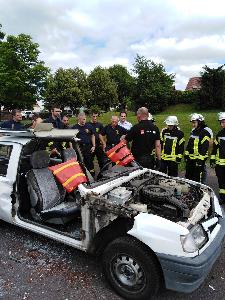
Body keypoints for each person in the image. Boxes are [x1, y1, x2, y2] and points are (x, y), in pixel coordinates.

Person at [185, 113, 211, 183]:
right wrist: (186, 154)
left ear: (200, 122)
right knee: (188, 176)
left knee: (197, 179)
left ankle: (199, 192)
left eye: (194, 123)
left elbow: (204, 147)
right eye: (192, 123)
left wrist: (201, 160)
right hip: (191, 158)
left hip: (199, 159)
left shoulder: (205, 132)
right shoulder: (193, 131)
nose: (193, 125)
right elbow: (189, 144)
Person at [72, 112, 96, 176]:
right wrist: (72, 148)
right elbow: (71, 139)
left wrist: (94, 146)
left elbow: (93, 135)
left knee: (90, 161)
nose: (83, 121)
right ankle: (83, 176)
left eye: (84, 119)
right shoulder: (74, 127)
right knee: (81, 162)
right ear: (78, 119)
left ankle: (92, 175)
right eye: (81, 119)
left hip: (88, 147)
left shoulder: (89, 126)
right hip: (79, 148)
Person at [210, 112, 225, 205]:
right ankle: (223, 198)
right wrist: (212, 159)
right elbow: (215, 148)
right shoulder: (219, 134)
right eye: (221, 122)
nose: (223, 124)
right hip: (220, 163)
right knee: (221, 181)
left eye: (224, 122)